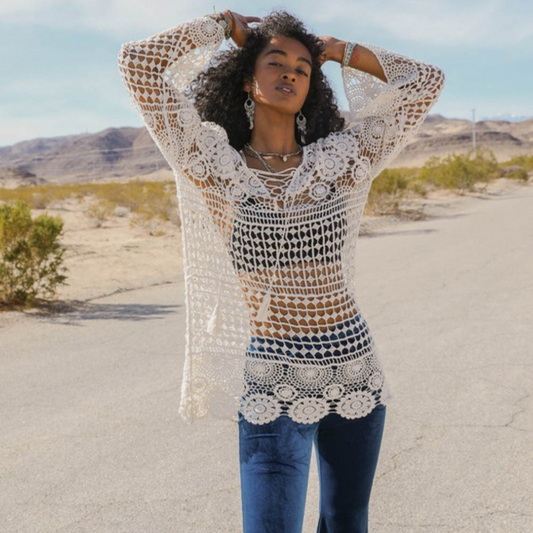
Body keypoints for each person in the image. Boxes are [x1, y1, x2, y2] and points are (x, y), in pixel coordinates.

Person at [118, 8, 445, 533]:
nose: (291, 71)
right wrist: (224, 25)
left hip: (352, 361)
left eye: (302, 66)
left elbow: (425, 82)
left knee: (346, 523)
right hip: (274, 369)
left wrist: (337, 50)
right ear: (248, 77)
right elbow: (138, 64)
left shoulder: (339, 160)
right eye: (276, 61)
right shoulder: (215, 166)